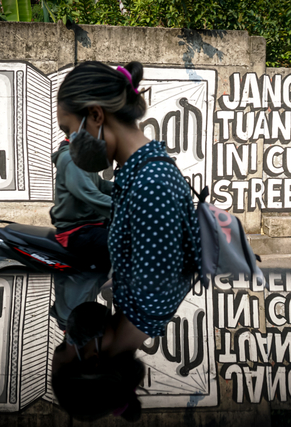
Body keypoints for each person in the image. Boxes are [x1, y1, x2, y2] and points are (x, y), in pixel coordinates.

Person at [51, 61, 201, 421]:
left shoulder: (150, 184)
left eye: (70, 131)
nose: (71, 145)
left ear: (96, 116)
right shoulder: (138, 177)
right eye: (65, 346)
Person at [50, 138, 113, 271]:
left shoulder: (83, 156)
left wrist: (132, 190)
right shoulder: (71, 159)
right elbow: (90, 194)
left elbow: (100, 186)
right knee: (123, 245)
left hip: (91, 223)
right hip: (77, 230)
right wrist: (129, 208)